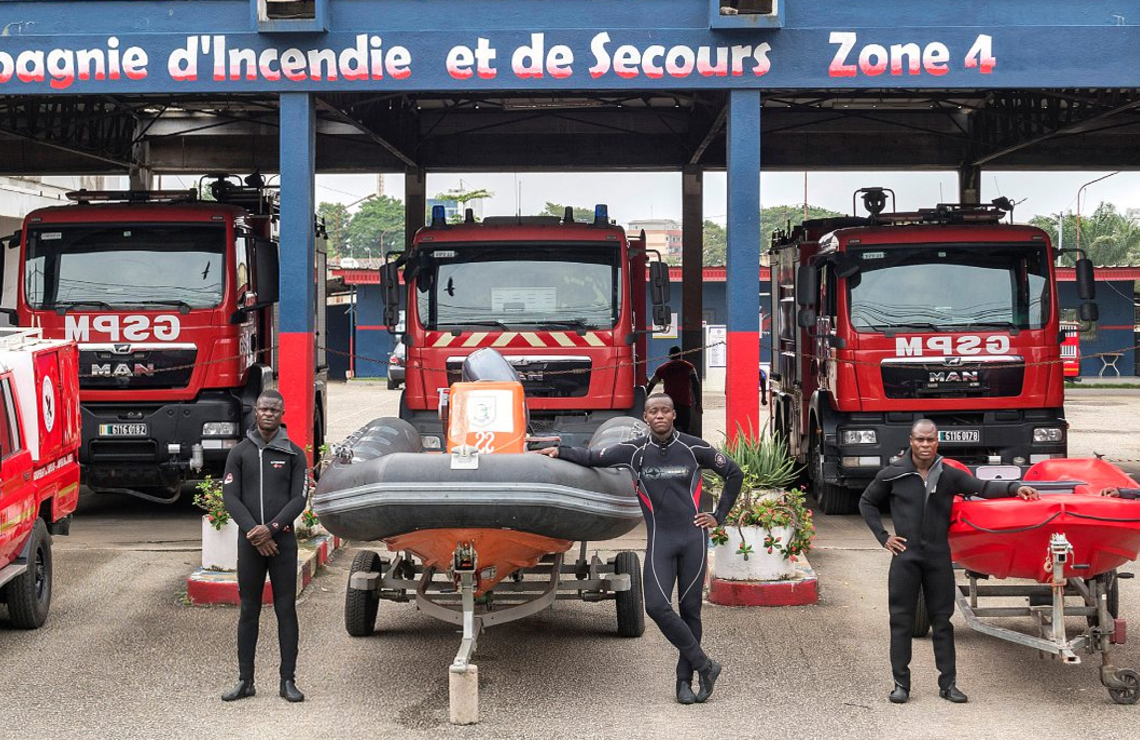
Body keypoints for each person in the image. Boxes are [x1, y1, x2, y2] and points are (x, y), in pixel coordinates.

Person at [536, 393, 743, 704]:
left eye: (665, 410)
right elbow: (594, 458)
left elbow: (734, 473)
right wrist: (559, 452)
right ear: (645, 418)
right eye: (653, 411)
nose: (659, 415)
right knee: (656, 606)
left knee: (690, 612)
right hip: (661, 540)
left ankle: (684, 682)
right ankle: (705, 665)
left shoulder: (693, 447)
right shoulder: (634, 451)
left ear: (674, 414)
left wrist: (718, 516)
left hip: (693, 538)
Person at [859, 419, 1040, 705]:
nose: (925, 445)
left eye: (930, 440)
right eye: (920, 439)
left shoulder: (949, 475)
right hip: (906, 558)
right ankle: (900, 685)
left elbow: (982, 486)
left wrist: (1015, 487)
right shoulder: (892, 474)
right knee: (901, 621)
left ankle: (948, 684)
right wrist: (884, 537)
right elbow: (866, 502)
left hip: (938, 557)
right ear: (911, 440)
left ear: (937, 442)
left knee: (942, 622)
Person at [220, 389, 309, 703]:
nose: (269, 413)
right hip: (250, 544)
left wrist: (270, 530)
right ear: (255, 412)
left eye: (275, 409)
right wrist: (253, 533)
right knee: (249, 610)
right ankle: (245, 681)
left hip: (281, 542)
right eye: (264, 408)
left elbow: (299, 499)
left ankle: (288, 681)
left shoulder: (295, 454)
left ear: (282, 414)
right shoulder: (240, 452)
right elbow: (230, 496)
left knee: (286, 610)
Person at [647, 346, 702, 433]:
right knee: (685, 430)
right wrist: (698, 402)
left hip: (669, 404)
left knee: (669, 430)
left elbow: (651, 384)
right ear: (680, 355)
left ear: (669, 355)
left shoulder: (663, 368)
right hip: (684, 404)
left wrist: (644, 400)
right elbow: (696, 384)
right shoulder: (688, 367)